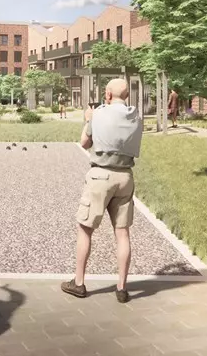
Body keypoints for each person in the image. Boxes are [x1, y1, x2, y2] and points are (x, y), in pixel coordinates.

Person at [62, 78, 143, 304]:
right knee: (122, 232)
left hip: (100, 176)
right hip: (125, 176)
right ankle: (122, 288)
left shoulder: (98, 114)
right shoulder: (136, 117)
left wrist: (88, 119)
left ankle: (78, 283)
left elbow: (84, 143)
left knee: (85, 228)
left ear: (107, 93)